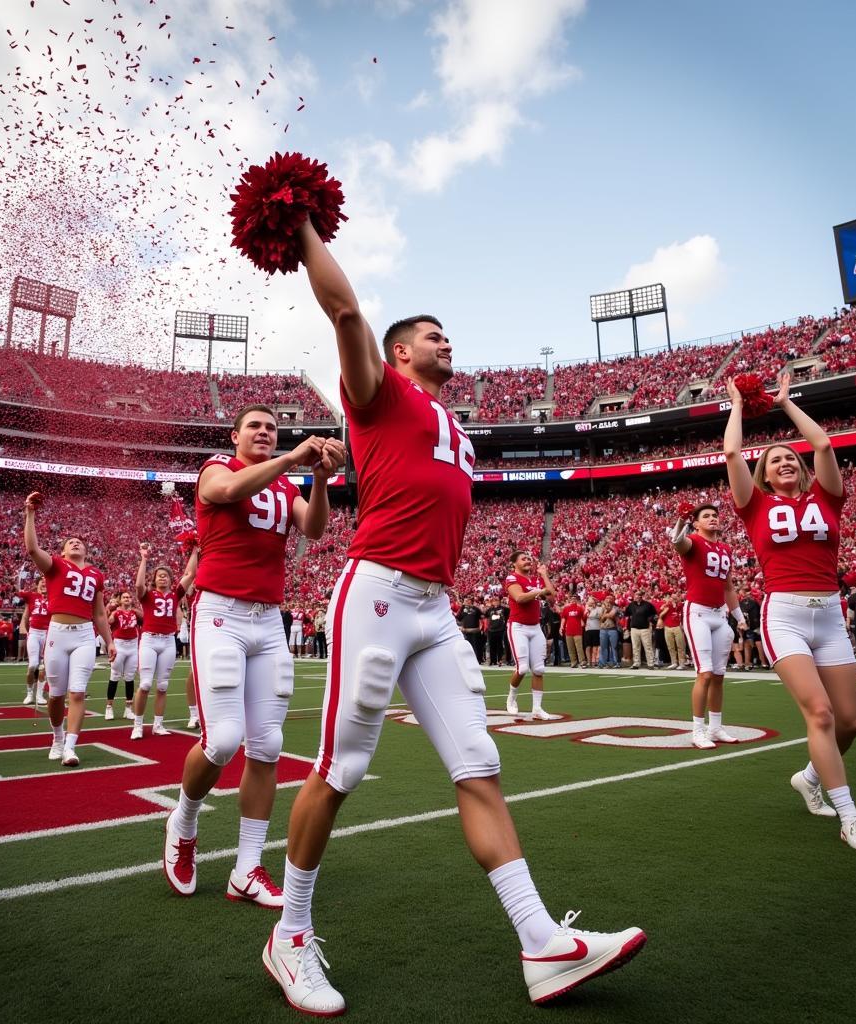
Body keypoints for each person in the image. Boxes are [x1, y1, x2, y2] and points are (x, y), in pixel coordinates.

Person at [258, 217, 644, 1016]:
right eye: (435, 335)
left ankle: (540, 942)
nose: (448, 342)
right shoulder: (380, 391)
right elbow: (346, 313)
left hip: (434, 608)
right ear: (402, 352)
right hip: (377, 593)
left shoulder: (456, 427)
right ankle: (288, 936)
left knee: (479, 764)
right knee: (340, 769)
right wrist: (299, 231)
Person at [162, 405, 345, 911]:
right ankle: (184, 821)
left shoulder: (287, 484)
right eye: (256, 427)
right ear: (236, 435)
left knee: (267, 745)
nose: (264, 433)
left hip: (269, 619)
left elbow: (314, 529)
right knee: (222, 739)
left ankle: (247, 867)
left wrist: (319, 479)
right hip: (220, 611)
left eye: (272, 428)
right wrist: (291, 458)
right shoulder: (218, 466)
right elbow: (226, 492)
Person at [725, 373, 856, 853]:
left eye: (790, 458)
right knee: (819, 712)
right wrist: (736, 404)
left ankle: (810, 777)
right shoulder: (754, 506)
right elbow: (733, 454)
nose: (785, 463)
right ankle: (851, 817)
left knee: (849, 723)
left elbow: (824, 443)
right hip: (786, 615)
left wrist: (787, 403)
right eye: (775, 461)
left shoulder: (827, 497)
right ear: (765, 475)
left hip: (831, 615)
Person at [23, 493, 115, 767]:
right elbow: (31, 549)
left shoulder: (97, 574)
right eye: (70, 542)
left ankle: (71, 748)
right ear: (62, 552)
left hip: (86, 634)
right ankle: (57, 737)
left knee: (77, 692)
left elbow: (99, 613)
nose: (76, 543)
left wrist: (109, 641)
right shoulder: (55, 565)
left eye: (80, 542)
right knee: (56, 694)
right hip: (58, 633)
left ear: (86, 550)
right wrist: (30, 514)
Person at [669, 503, 745, 749]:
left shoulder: (725, 548)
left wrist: (739, 615)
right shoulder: (692, 540)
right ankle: (697, 730)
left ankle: (715, 727)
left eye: (715, 515)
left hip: (720, 615)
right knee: (705, 673)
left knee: (719, 676)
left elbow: (728, 588)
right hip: (698, 613)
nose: (712, 518)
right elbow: (677, 543)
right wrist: (681, 522)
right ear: (697, 523)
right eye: (706, 516)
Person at [132, 543, 197, 736]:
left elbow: (191, 574)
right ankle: (137, 725)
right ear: (154, 579)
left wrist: (194, 551)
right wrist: (144, 558)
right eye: (159, 575)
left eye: (166, 575)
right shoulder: (147, 595)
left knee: (162, 685)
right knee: (144, 684)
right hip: (150, 640)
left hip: (168, 640)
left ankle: (158, 724)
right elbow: (138, 585)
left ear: (170, 579)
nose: (162, 577)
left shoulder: (176, 594)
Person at [504, 552, 557, 719]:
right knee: (522, 668)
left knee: (539, 669)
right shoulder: (512, 578)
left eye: (529, 558)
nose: (528, 561)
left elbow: (552, 598)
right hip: (518, 627)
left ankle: (537, 708)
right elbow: (519, 597)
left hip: (535, 627)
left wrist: (544, 575)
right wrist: (538, 592)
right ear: (514, 564)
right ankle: (512, 698)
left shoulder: (535, 580)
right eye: (523, 559)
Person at [107, 591, 141, 724]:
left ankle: (128, 708)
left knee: (130, 677)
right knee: (115, 675)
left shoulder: (135, 613)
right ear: (120, 600)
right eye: (124, 597)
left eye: (129, 597)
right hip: (119, 645)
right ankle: (109, 707)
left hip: (132, 646)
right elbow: (107, 621)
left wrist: (136, 610)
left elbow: (145, 619)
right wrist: (110, 607)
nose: (127, 599)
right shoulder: (116, 612)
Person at [18, 577, 50, 706]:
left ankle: (39, 695)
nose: (44, 584)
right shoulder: (32, 596)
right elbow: (19, 591)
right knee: (33, 665)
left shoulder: (53, 597)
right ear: (36, 585)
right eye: (41, 583)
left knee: (43, 666)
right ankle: (29, 693)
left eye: (46, 583)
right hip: (34, 632)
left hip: (48, 633)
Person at [625, 590, 658, 669]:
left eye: (638, 595)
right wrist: (627, 628)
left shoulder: (648, 605)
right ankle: (636, 663)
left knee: (648, 646)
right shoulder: (631, 605)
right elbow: (627, 615)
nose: (637, 597)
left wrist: (651, 621)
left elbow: (654, 615)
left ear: (641, 596)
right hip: (634, 628)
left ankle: (650, 663)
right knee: (635, 646)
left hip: (645, 628)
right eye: (635, 595)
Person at [657, 593, 687, 670]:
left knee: (680, 646)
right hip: (668, 627)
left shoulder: (681, 605)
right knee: (670, 646)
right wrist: (666, 605)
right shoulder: (667, 605)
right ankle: (674, 662)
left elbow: (682, 611)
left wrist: (676, 604)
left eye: (675, 598)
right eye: (672, 598)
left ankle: (682, 663)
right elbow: (659, 613)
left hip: (677, 627)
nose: (674, 600)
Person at [559, 595, 587, 668]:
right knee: (570, 647)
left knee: (579, 647)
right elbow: (563, 618)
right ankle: (573, 662)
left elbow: (583, 617)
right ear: (569, 600)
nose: (573, 600)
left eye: (574, 599)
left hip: (578, 630)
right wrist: (561, 627)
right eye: (571, 599)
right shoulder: (566, 609)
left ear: (576, 600)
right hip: (568, 630)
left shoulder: (580, 608)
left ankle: (582, 662)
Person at [485, 595, 507, 666]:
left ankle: (500, 660)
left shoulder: (504, 609)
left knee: (500, 645)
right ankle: (492, 660)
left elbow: (509, 614)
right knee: (492, 646)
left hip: (501, 630)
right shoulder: (490, 610)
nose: (495, 602)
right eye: (494, 600)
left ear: (499, 601)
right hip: (491, 630)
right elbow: (485, 615)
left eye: (496, 600)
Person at [598, 597, 621, 668]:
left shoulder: (616, 608)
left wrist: (605, 614)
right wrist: (605, 613)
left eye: (610, 599)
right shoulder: (602, 608)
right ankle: (602, 663)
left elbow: (611, 615)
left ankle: (615, 662)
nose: (608, 600)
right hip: (603, 629)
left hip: (613, 629)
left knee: (614, 647)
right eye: (607, 599)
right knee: (603, 647)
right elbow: (601, 619)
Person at [583, 596, 601, 667]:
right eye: (589, 602)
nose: (591, 604)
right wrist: (587, 611)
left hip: (596, 629)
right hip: (588, 629)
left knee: (595, 646)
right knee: (588, 646)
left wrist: (592, 611)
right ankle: (589, 661)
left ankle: (594, 660)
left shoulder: (598, 608)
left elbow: (599, 616)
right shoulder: (586, 609)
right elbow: (584, 618)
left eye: (592, 602)